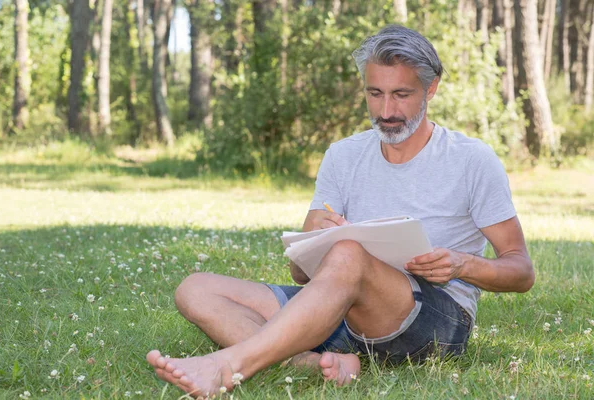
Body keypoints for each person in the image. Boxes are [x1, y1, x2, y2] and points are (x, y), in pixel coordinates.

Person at [146, 24, 535, 398]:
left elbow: (521, 271)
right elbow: (301, 275)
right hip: (343, 311)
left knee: (348, 253)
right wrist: (314, 236)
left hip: (435, 320)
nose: (386, 110)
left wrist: (461, 265)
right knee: (195, 289)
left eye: (401, 94)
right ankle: (311, 363)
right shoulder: (344, 155)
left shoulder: (472, 160)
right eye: (374, 93)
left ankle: (227, 367)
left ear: (430, 88)